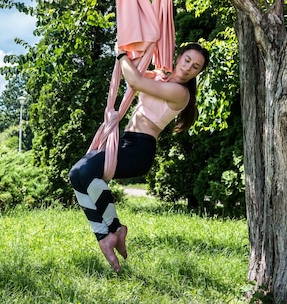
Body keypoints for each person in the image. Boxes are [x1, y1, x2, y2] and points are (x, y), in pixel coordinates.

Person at [69, 43, 210, 272]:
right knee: (77, 175)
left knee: (86, 171)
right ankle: (112, 232)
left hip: (139, 150)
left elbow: (135, 81)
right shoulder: (161, 79)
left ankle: (108, 235)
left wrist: (120, 51)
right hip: (125, 141)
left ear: (198, 73)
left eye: (195, 67)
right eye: (187, 60)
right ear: (178, 56)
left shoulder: (180, 93)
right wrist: (134, 46)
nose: (188, 68)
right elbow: (134, 72)